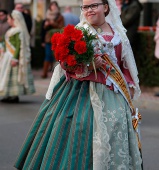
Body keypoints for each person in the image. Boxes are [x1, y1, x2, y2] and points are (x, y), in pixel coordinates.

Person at [14, 0, 142, 169]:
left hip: (113, 94)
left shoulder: (118, 33)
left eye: (93, 5)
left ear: (105, 7)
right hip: (79, 93)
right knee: (80, 130)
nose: (89, 10)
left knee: (113, 133)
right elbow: (65, 65)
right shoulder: (79, 31)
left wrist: (130, 86)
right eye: (85, 7)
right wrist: (89, 66)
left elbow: (124, 65)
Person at [0, 10, 35, 103]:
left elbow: (19, 46)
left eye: (8, 19)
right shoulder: (11, 31)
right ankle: (8, 95)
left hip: (13, 57)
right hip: (7, 56)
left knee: (14, 77)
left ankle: (14, 95)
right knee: (7, 76)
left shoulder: (18, 31)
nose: (7, 21)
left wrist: (15, 58)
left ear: (14, 19)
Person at [41, 1, 64, 78]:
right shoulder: (47, 16)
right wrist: (46, 25)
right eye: (52, 6)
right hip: (48, 39)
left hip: (57, 38)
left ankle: (57, 73)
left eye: (55, 6)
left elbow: (61, 27)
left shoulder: (60, 16)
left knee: (56, 56)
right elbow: (44, 28)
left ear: (57, 7)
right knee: (47, 55)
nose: (53, 7)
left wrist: (52, 23)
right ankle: (44, 73)